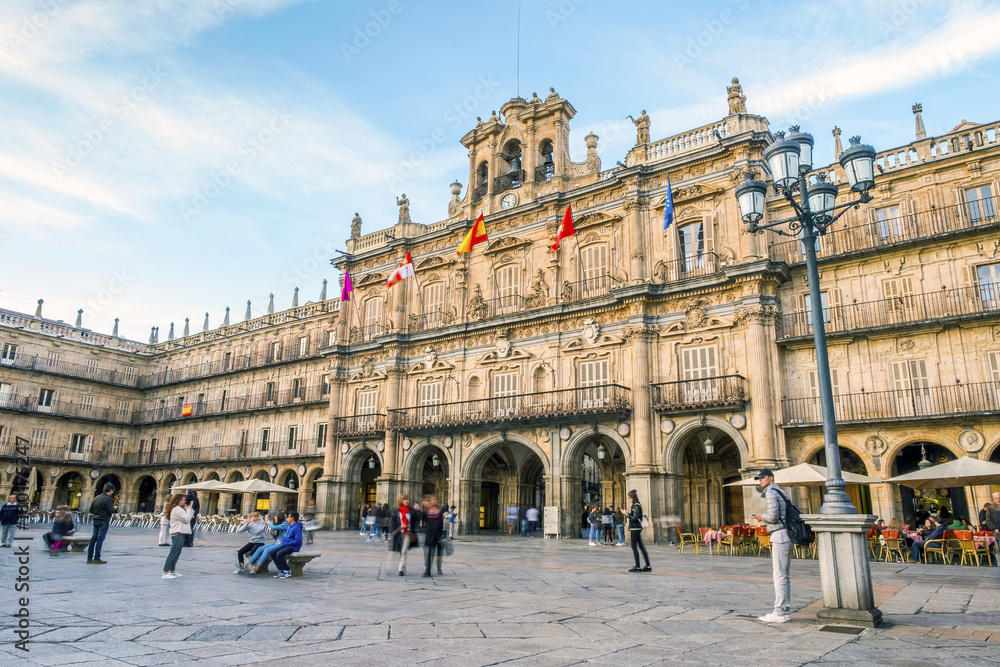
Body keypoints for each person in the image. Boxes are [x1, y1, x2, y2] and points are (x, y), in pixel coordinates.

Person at [753, 469, 792, 624]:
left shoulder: (771, 492)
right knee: (784, 575)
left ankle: (780, 611)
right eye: (759, 479)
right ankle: (785, 610)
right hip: (786, 534)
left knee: (779, 575)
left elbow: (773, 517)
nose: (760, 481)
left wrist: (761, 517)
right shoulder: (782, 492)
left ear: (771, 478)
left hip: (779, 536)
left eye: (762, 478)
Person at [162, 494, 192, 579]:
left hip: (179, 532)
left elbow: (185, 518)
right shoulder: (177, 509)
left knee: (177, 553)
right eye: (183, 499)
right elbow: (186, 519)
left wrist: (187, 511)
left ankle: (172, 571)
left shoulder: (178, 509)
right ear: (177, 501)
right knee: (174, 553)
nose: (184, 501)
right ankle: (165, 572)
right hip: (177, 532)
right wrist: (189, 510)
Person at [621, 490, 651, 573]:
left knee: (634, 546)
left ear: (633, 498)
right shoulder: (636, 506)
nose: (629, 500)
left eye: (629, 498)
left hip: (635, 528)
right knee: (641, 547)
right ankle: (648, 565)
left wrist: (626, 514)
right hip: (636, 528)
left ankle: (638, 567)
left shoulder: (637, 506)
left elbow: (634, 518)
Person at [390, 494, 420, 576]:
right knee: (400, 551)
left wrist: (418, 510)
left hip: (408, 533)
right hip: (399, 533)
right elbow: (393, 521)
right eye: (405, 499)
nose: (407, 501)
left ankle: (400, 569)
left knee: (403, 551)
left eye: (408, 499)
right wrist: (394, 529)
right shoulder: (397, 510)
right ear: (401, 500)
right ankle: (403, 566)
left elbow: (417, 520)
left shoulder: (411, 510)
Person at [87, 483, 116, 565]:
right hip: (104, 521)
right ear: (110, 490)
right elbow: (110, 510)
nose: (112, 493)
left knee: (93, 539)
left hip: (95, 520)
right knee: (100, 540)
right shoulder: (108, 499)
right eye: (112, 491)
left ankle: (89, 558)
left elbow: (91, 510)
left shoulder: (96, 498)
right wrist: (114, 509)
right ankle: (97, 558)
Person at [270, 512, 303, 579]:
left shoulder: (296, 528)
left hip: (294, 547)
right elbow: (287, 537)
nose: (287, 518)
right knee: (272, 553)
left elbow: (298, 541)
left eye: (288, 516)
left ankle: (287, 570)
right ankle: (281, 569)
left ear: (292, 518)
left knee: (279, 554)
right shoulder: (290, 526)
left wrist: (288, 543)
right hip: (287, 544)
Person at [422, 495, 445, 577]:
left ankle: (439, 568)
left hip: (438, 534)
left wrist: (442, 535)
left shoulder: (439, 510)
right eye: (432, 500)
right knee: (429, 553)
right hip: (429, 534)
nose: (434, 501)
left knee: (439, 553)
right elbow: (422, 518)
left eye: (435, 499)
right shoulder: (427, 511)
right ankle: (427, 570)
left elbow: (441, 524)